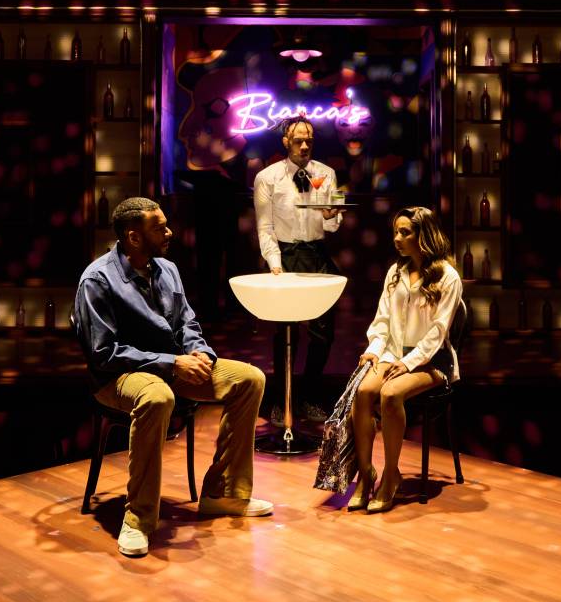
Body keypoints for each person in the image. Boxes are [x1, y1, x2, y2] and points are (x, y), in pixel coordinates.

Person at [74, 197, 271, 558]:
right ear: (134, 237)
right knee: (157, 397)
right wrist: (171, 363)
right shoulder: (97, 280)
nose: (169, 233)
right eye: (159, 228)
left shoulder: (167, 269)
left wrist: (199, 352)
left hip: (171, 366)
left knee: (249, 379)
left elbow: (186, 323)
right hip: (119, 375)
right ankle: (138, 519)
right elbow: (103, 353)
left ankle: (223, 493)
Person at [349, 207, 461, 513]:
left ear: (424, 235)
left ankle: (390, 476)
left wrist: (410, 362)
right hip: (394, 352)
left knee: (390, 393)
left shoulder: (448, 277)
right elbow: (382, 320)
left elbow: (438, 332)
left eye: (405, 232)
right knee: (363, 391)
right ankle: (365, 475)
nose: (397, 238)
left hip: (432, 359)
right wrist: (374, 349)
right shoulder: (395, 272)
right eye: (395, 232)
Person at [252, 116, 343, 423]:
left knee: (324, 333)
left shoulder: (326, 174)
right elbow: (265, 228)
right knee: (286, 332)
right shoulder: (267, 177)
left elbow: (332, 224)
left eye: (309, 141)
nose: (304, 146)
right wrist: (275, 265)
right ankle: (282, 400)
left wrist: (332, 214)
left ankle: (309, 397)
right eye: (298, 141)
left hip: (317, 254)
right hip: (287, 255)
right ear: (285, 142)